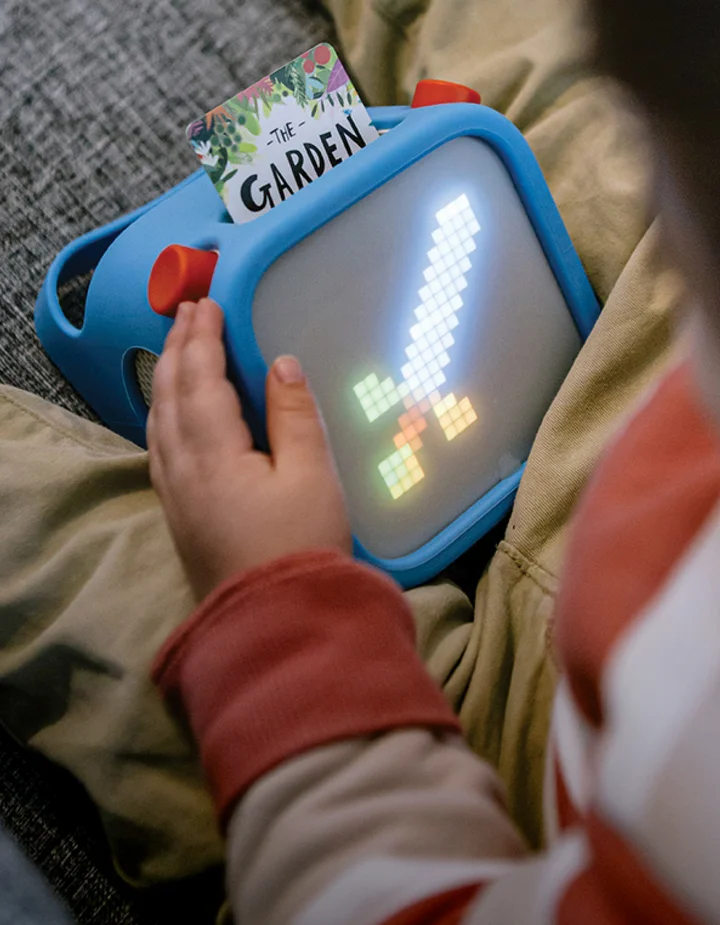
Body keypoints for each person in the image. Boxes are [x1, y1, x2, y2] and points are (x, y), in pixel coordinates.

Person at [146, 0, 720, 921]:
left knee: (90, 545)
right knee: (537, 90)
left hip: (520, 685)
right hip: (652, 366)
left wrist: (275, 604)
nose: (653, 181)